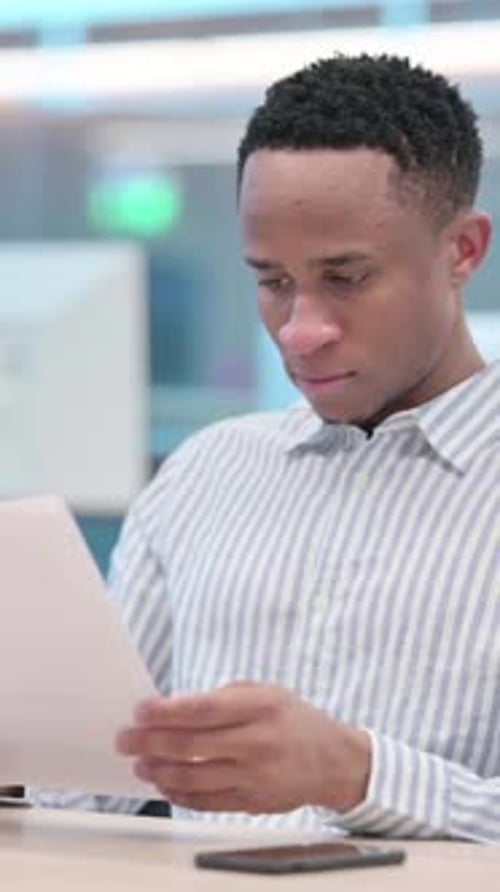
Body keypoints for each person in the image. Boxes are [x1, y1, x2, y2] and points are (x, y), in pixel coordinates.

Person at [39, 54, 499, 841]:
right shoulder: (206, 476)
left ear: (462, 250)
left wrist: (359, 774)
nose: (299, 331)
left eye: (346, 278)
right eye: (273, 281)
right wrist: (27, 754)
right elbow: (88, 782)